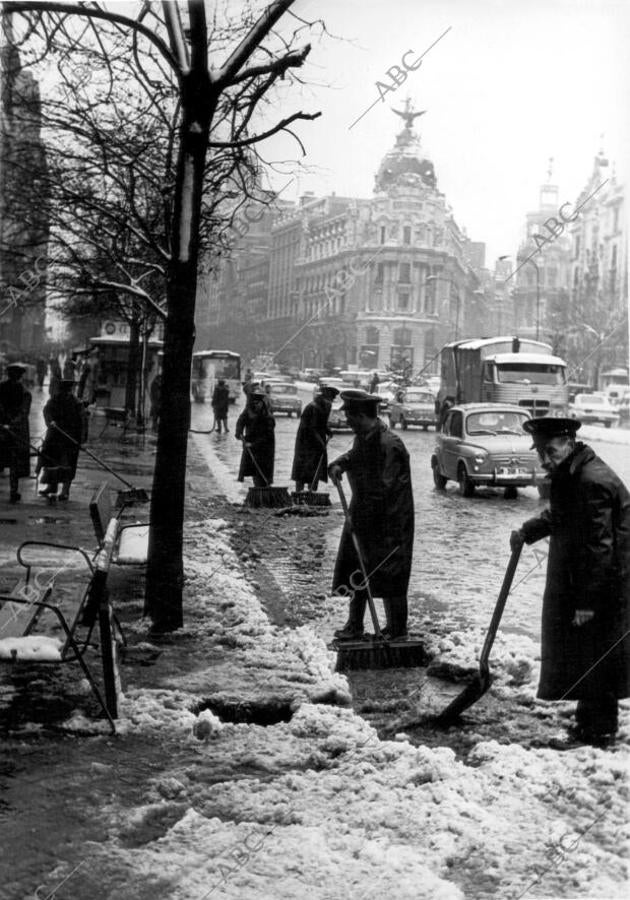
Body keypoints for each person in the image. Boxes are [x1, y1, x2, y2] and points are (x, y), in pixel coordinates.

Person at [510, 416, 630, 747]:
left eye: (551, 451)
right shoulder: (574, 472)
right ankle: (590, 723)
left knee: (597, 653)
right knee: (588, 651)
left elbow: (599, 548)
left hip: (605, 583)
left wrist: (588, 603)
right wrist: (529, 531)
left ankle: (598, 731)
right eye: (541, 453)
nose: (545, 460)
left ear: (568, 442)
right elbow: (562, 513)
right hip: (595, 579)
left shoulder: (590, 480)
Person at [328, 389, 414, 640]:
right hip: (366, 517)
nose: (347, 421)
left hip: (390, 522)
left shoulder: (390, 445)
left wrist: (362, 518)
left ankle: (397, 631)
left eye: (350, 417)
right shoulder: (365, 437)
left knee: (389, 572)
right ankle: (355, 624)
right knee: (358, 566)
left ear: (362, 416)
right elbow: (356, 457)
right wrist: (340, 463)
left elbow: (385, 490)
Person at [39, 379, 87, 501]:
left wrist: (81, 440)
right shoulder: (54, 400)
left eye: (67, 390)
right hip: (55, 436)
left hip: (70, 439)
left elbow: (83, 422)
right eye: (63, 390)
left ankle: (65, 490)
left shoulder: (77, 403)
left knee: (68, 465)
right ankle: (52, 487)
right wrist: (51, 421)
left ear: (70, 390)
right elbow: (46, 411)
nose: (65, 392)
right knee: (51, 462)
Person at [291, 385, 338, 492]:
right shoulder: (313, 407)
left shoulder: (325, 406)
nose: (330, 402)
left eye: (331, 400)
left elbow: (322, 424)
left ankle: (312, 493)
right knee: (303, 470)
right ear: (324, 398)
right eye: (329, 400)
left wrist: (328, 431)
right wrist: (321, 442)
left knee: (316, 468)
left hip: (316, 444)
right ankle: (299, 493)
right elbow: (312, 428)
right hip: (306, 444)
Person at [0, 363, 32, 503]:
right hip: (12, 431)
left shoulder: (22, 391)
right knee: (13, 462)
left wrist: (8, 422)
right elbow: (23, 412)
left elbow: (23, 412)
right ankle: (13, 491)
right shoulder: (24, 391)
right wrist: (10, 423)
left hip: (8, 430)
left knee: (9, 460)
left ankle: (14, 491)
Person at [235, 389, 275, 487]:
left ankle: (263, 489)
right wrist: (239, 432)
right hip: (251, 444)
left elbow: (267, 436)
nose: (256, 405)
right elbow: (241, 421)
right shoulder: (249, 410)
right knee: (253, 468)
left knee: (263, 471)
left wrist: (253, 444)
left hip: (264, 448)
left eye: (258, 403)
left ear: (262, 403)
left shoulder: (268, 417)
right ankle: (258, 490)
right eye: (254, 403)